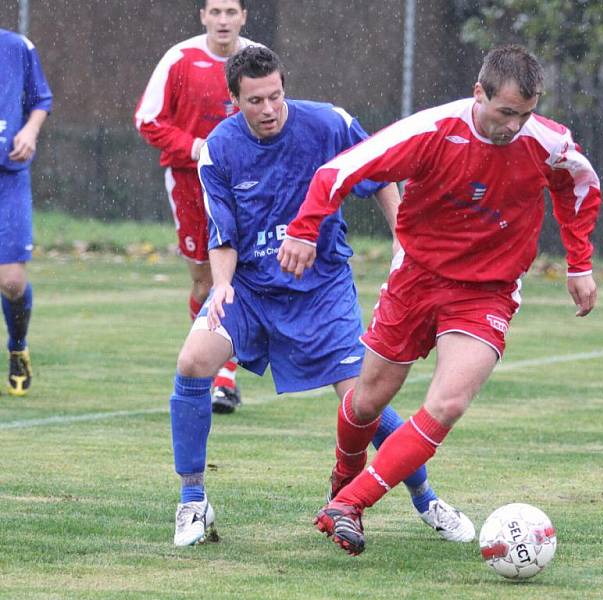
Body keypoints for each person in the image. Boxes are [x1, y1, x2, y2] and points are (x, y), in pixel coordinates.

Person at [278, 44, 602, 556]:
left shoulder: (548, 142)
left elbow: (578, 187)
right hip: (418, 279)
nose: (515, 125)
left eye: (525, 113)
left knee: (448, 402)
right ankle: (343, 479)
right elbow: (339, 171)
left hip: (488, 291)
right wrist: (303, 228)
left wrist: (579, 262)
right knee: (367, 401)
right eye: (505, 113)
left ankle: (351, 503)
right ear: (479, 93)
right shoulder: (432, 131)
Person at [169, 45, 475, 547]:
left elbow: (380, 173)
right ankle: (193, 502)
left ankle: (429, 501)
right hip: (248, 288)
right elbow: (221, 234)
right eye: (254, 101)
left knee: (362, 401)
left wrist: (405, 244)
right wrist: (221, 285)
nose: (268, 110)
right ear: (233, 100)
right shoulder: (218, 149)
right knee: (192, 362)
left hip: (321, 290)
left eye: (275, 97)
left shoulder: (327, 124)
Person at [135, 0, 255, 413]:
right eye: (215, 12)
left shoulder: (254, 60)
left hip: (242, 185)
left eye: (230, 12)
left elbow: (275, 114)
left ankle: (226, 379)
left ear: (243, 17)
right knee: (205, 282)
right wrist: (194, 146)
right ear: (203, 16)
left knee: (239, 275)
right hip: (189, 183)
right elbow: (148, 120)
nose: (223, 20)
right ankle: (203, 362)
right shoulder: (180, 58)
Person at [0, 28, 53, 397]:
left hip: (8, 178)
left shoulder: (16, 47)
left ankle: (18, 345)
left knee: (12, 282)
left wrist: (30, 132)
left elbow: (41, 98)